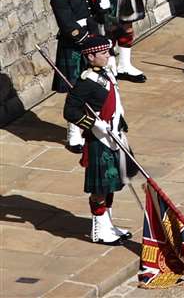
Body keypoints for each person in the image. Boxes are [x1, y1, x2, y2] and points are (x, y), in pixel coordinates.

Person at [63, 34, 137, 243]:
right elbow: (70, 111)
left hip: (114, 135)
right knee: (100, 189)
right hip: (99, 140)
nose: (108, 55)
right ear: (91, 57)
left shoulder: (106, 74)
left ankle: (109, 226)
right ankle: (99, 231)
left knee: (111, 184)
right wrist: (95, 124)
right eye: (104, 53)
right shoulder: (86, 82)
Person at [50, 0, 99, 149]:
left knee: (94, 84)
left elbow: (91, 0)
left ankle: (91, 124)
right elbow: (67, 24)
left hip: (92, 33)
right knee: (76, 89)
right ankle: (73, 132)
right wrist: (87, 39)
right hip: (75, 43)